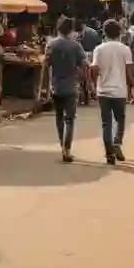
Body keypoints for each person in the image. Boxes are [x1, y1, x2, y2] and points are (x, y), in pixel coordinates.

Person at [91, 19, 134, 165]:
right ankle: (117, 142)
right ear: (119, 32)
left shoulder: (98, 49)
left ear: (104, 33)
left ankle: (109, 154)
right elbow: (130, 72)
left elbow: (94, 69)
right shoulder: (125, 49)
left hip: (103, 90)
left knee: (106, 123)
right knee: (120, 119)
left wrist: (94, 84)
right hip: (119, 91)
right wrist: (133, 88)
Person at [44, 16, 87, 162]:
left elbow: (46, 65)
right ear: (71, 30)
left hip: (56, 87)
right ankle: (67, 149)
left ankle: (62, 145)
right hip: (71, 87)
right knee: (70, 119)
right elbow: (84, 65)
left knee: (59, 117)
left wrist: (45, 87)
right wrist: (82, 78)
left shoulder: (51, 45)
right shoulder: (76, 46)